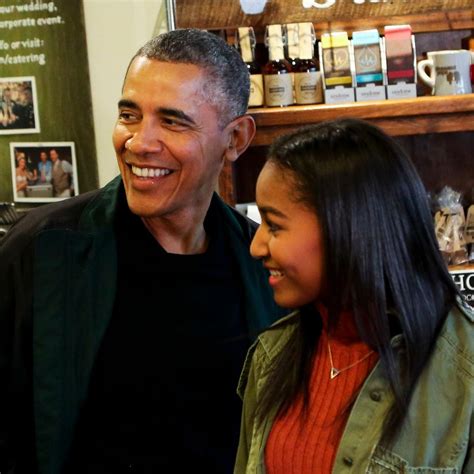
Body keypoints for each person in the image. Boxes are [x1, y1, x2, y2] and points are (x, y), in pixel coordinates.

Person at [0, 29, 282, 474]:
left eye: (172, 121)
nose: (138, 142)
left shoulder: (264, 263)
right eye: (130, 115)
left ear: (235, 139)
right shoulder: (45, 251)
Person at [235, 118, 474, 473]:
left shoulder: (463, 373)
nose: (256, 246)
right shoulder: (273, 357)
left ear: (345, 227)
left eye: (274, 225)